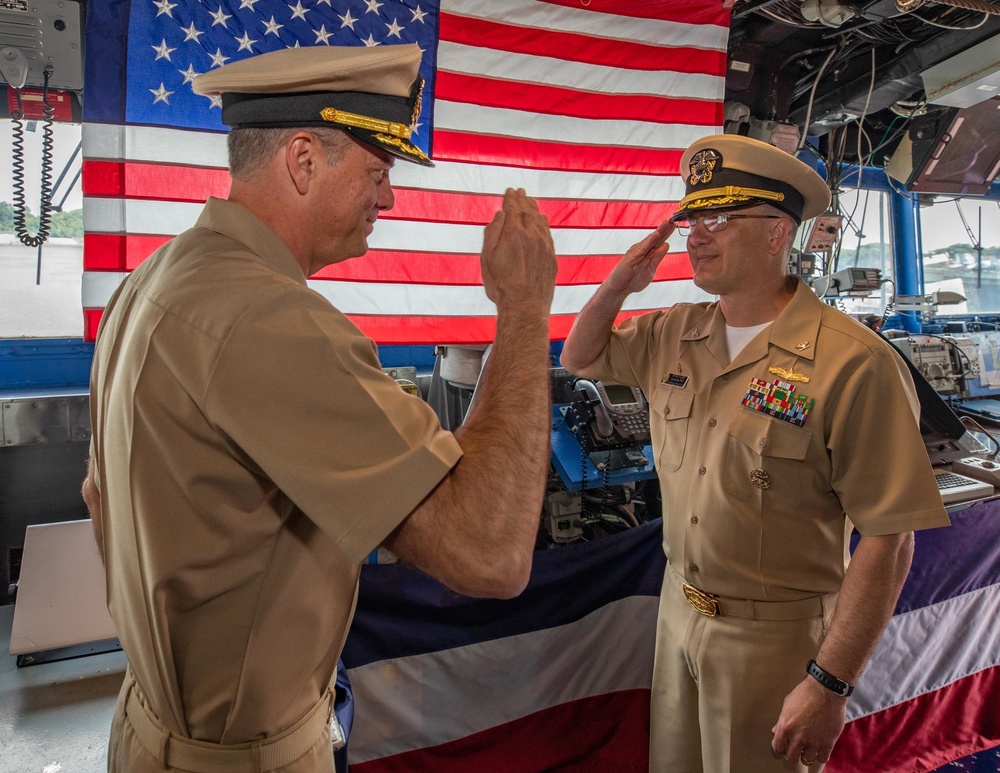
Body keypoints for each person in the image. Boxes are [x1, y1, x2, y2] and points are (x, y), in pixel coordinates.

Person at [81, 43, 557, 773]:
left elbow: (102, 498)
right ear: (303, 160)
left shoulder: (155, 279)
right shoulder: (271, 322)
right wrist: (524, 309)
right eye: (377, 170)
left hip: (151, 722)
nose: (388, 196)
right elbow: (491, 553)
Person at [559, 133, 950, 772]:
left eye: (719, 219)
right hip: (678, 613)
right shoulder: (675, 332)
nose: (696, 235)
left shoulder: (854, 362)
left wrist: (829, 683)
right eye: (691, 220)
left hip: (777, 636)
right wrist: (620, 282)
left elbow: (889, 539)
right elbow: (579, 356)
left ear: (776, 234)